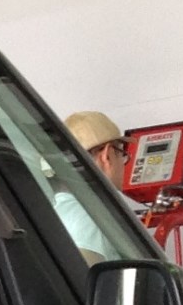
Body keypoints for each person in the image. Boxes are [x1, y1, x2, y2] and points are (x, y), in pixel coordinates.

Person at [51, 110, 132, 257]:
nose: (123, 163)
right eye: (122, 154)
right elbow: (85, 270)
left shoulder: (61, 208)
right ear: (107, 155)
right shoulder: (91, 216)